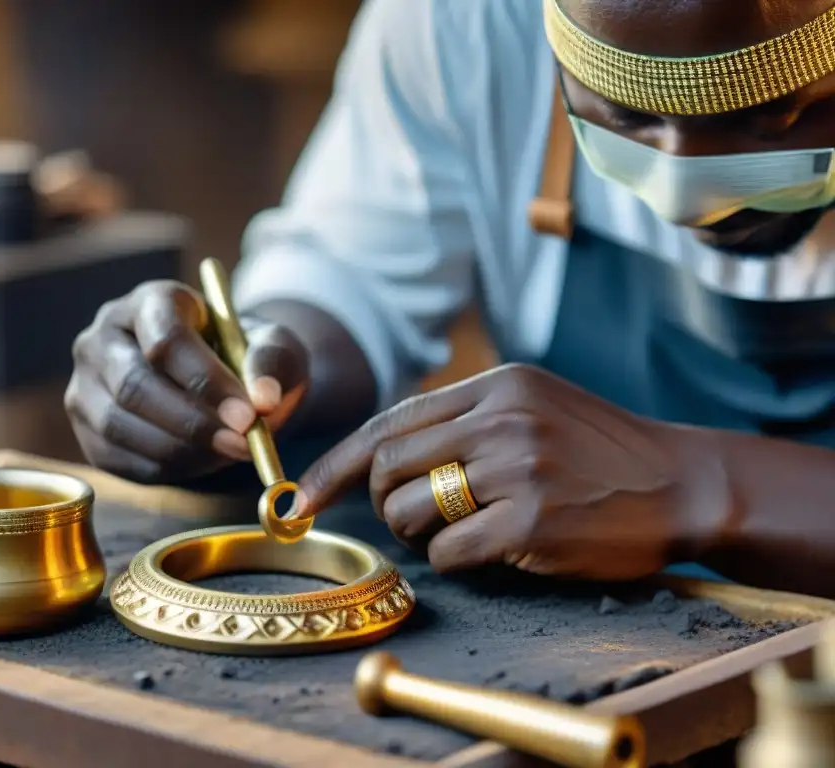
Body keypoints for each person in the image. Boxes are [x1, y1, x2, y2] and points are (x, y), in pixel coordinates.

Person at [65, 0, 835, 600]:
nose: (684, 196)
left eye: (773, 122)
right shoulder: (468, 23)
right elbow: (354, 273)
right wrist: (259, 366)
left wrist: (702, 484)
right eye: (624, 120)